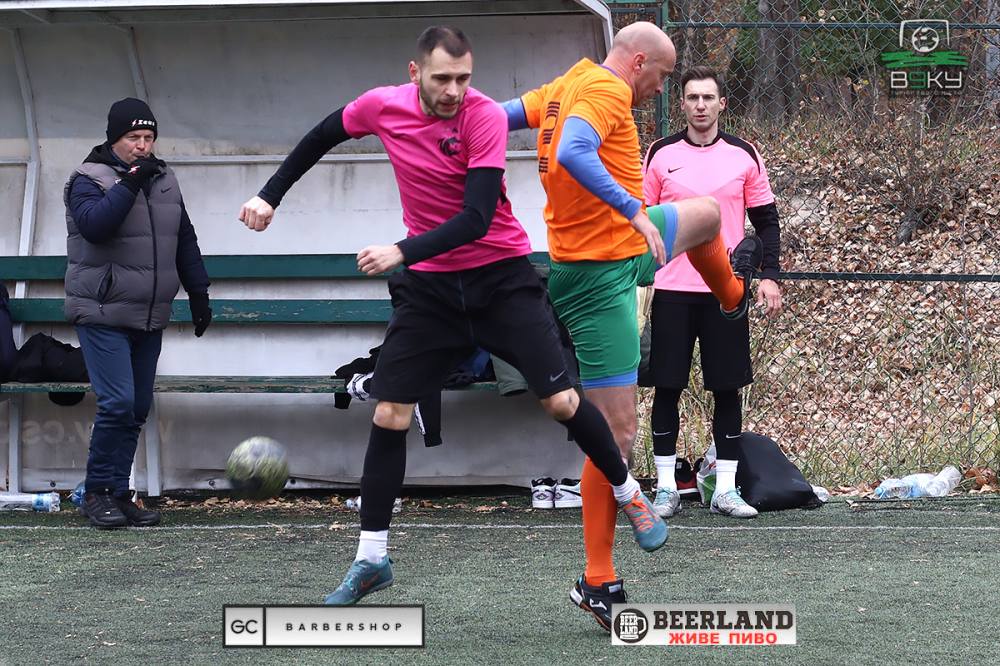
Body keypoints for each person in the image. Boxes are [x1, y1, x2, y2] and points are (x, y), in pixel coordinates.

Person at [237, 25, 666, 607]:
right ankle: (371, 558)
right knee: (389, 412)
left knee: (562, 402)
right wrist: (269, 195)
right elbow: (322, 135)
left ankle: (627, 490)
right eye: (442, 79)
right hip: (431, 293)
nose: (454, 91)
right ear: (415, 73)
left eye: (464, 78)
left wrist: (400, 251)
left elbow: (476, 217)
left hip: (500, 280)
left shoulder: (482, 116)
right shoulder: (383, 106)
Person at [503, 22, 763, 631]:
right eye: (665, 76)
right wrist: (633, 212)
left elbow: (501, 115)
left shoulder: (570, 81)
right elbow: (572, 150)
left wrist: (439, 115)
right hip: (598, 278)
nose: (662, 89)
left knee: (705, 215)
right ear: (640, 62)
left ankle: (731, 295)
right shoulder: (607, 90)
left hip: (627, 248)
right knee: (617, 437)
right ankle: (597, 580)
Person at [642, 66, 782, 520]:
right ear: (681, 104)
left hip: (726, 293)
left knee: (726, 388)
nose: (700, 105)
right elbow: (641, 218)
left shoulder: (744, 154)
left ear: (722, 103)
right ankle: (666, 489)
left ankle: (724, 490)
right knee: (667, 388)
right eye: (692, 97)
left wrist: (769, 275)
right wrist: (640, 277)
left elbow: (766, 222)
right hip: (671, 289)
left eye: (708, 97)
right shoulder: (660, 154)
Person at [65, 97, 213, 529]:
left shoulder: (164, 179)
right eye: (134, 137)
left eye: (149, 137)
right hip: (102, 310)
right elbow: (95, 227)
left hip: (148, 314)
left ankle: (117, 493)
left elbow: (183, 238)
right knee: (117, 403)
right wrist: (130, 183)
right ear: (115, 138)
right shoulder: (87, 178)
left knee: (136, 408)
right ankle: (95, 493)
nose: (143, 146)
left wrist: (198, 292)